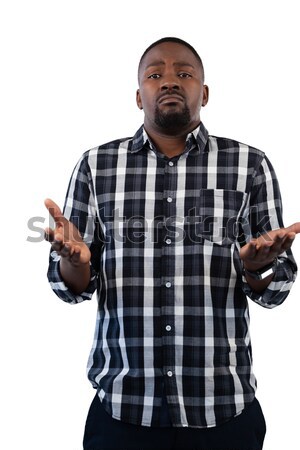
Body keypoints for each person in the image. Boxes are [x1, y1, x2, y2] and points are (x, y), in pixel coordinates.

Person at [45, 37, 300, 450]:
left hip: (223, 411)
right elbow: (72, 286)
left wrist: (256, 267)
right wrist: (75, 261)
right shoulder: (96, 166)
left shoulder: (249, 164)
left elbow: (276, 289)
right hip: (122, 412)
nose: (169, 81)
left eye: (184, 73)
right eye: (155, 74)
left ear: (205, 92)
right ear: (137, 95)